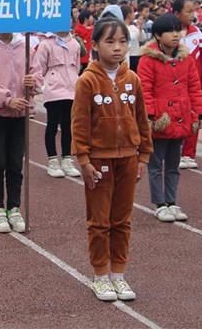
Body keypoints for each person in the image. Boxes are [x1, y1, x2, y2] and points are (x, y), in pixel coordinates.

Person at [71, 17, 153, 302]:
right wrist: (83, 160)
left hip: (129, 158)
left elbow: (142, 119)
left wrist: (143, 154)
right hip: (99, 160)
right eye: (110, 42)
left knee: (122, 220)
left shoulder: (133, 80)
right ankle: (100, 275)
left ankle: (119, 273)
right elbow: (79, 124)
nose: (117, 48)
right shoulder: (87, 81)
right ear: (94, 45)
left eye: (122, 42)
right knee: (99, 221)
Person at [0, 32, 43, 233]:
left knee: (15, 162)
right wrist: (6, 99)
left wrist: (34, 83)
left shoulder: (25, 45)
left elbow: (37, 74)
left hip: (20, 114)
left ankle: (14, 207)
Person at [138, 13, 202, 223]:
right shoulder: (148, 60)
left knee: (174, 164)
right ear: (158, 35)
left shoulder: (186, 59)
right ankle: (160, 203)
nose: (176, 34)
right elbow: (144, 90)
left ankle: (172, 200)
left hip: (181, 117)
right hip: (160, 118)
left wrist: (198, 112)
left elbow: (194, 87)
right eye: (170, 31)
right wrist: (150, 116)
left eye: (178, 30)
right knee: (156, 164)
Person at [34, 31, 81, 178]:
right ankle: (52, 160)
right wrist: (43, 85)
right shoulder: (46, 43)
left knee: (68, 125)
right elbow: (39, 67)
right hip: (53, 90)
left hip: (71, 90)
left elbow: (76, 66)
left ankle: (67, 159)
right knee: (52, 124)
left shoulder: (74, 44)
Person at [173, 0, 202, 169]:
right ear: (176, 13)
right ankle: (173, 150)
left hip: (192, 85)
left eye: (193, 11)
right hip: (173, 85)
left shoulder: (196, 34)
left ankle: (189, 153)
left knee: (194, 115)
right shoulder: (168, 33)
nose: (192, 15)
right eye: (188, 11)